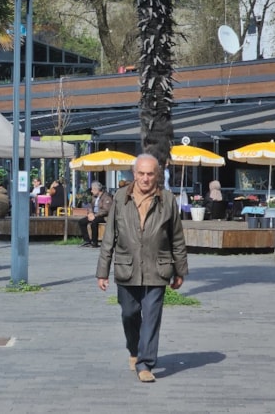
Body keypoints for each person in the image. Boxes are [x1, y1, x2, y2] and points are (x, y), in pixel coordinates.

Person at [96, 154, 188, 383]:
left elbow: (177, 237)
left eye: (150, 174)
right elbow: (110, 237)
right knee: (129, 314)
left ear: (157, 175)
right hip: (126, 267)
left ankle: (145, 364)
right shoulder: (120, 197)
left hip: (159, 268)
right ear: (134, 174)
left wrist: (180, 271)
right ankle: (134, 350)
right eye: (141, 173)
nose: (146, 178)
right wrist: (102, 271)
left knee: (152, 317)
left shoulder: (167, 199)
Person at [78, 181, 113, 248]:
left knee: (94, 222)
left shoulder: (106, 197)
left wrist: (95, 215)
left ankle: (94, 242)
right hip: (94, 215)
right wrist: (90, 213)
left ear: (97, 189)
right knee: (81, 221)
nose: (91, 191)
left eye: (92, 189)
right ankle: (87, 240)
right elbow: (91, 207)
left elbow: (106, 210)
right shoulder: (94, 197)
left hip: (103, 216)